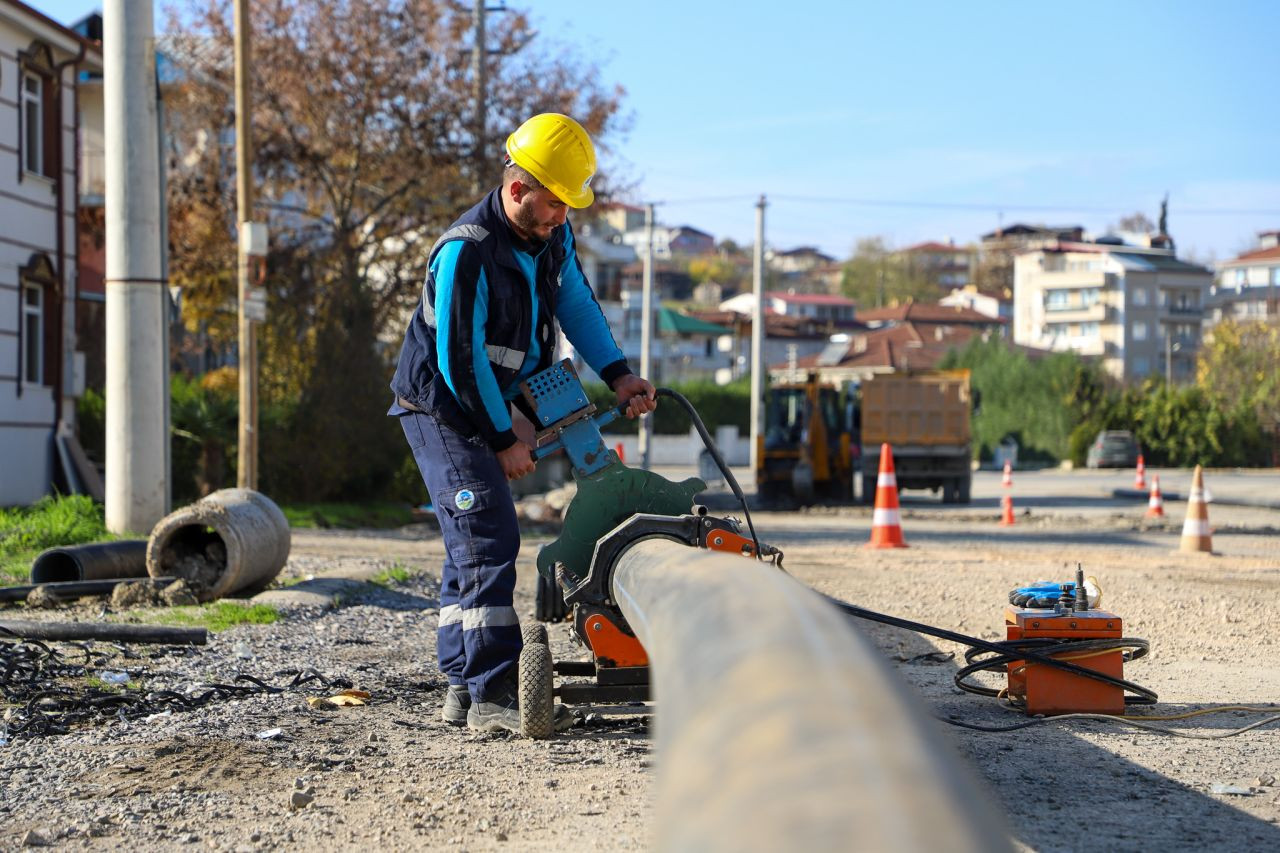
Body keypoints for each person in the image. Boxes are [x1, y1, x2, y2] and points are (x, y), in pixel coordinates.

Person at [389, 113, 657, 734]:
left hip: (503, 394)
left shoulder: (550, 239)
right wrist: (506, 437)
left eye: (569, 205)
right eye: (556, 203)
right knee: (486, 535)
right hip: (444, 407)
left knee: (470, 542)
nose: (563, 216)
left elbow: (577, 306)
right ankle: (490, 695)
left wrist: (618, 374)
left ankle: (461, 684)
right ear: (517, 190)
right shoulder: (467, 252)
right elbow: (460, 362)